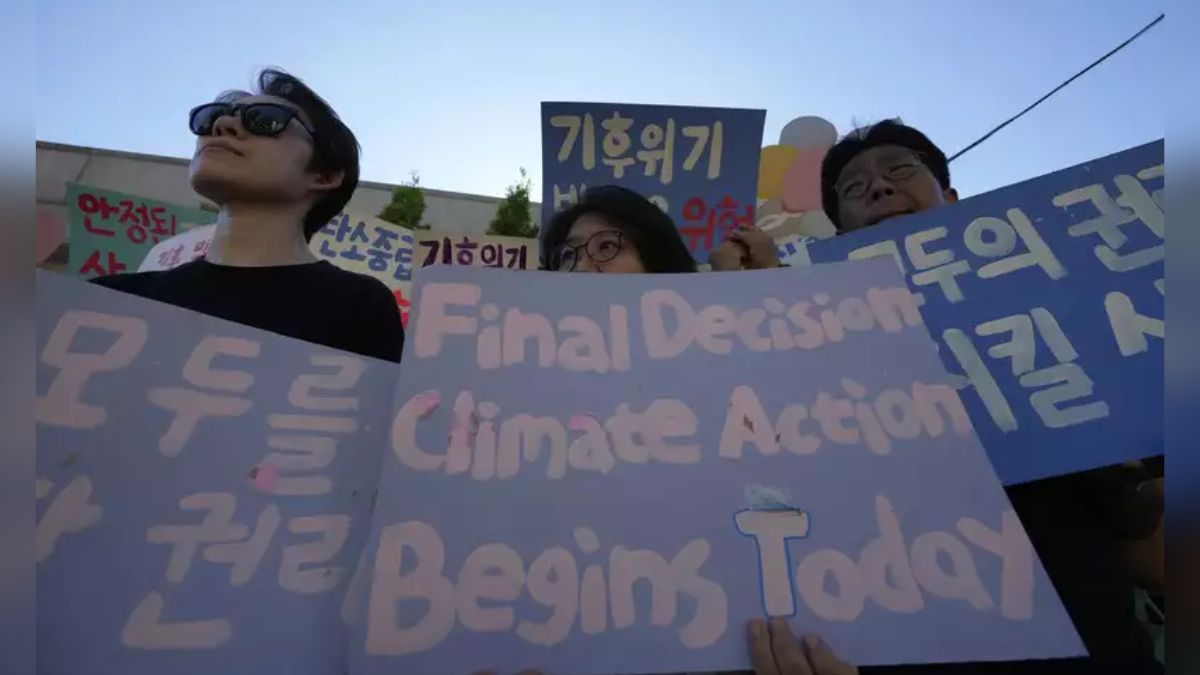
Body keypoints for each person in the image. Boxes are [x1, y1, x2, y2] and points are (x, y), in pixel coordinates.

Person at [816, 119, 1163, 675]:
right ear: (838, 242)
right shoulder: (817, 358)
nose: (877, 189)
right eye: (853, 189)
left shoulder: (1079, 325)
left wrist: (1136, 475)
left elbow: (1149, 539)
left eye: (899, 170)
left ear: (951, 199)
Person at [92, 68, 404, 363]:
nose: (222, 126)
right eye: (211, 118)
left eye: (265, 120)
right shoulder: (106, 298)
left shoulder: (360, 306)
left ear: (325, 175)